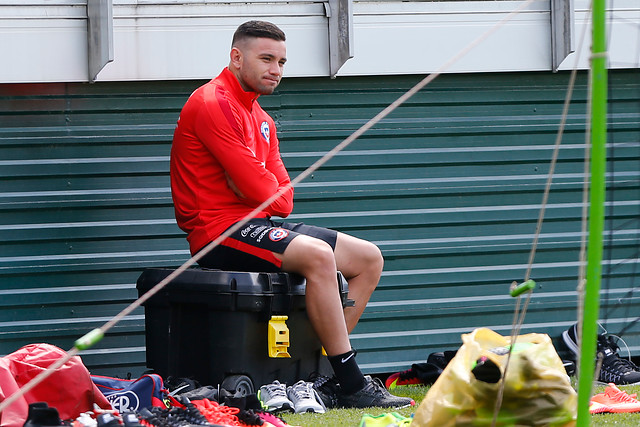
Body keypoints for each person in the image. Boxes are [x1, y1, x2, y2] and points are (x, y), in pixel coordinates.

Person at [170, 20, 413, 409]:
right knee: (318, 255)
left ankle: (320, 377)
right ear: (236, 57)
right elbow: (265, 190)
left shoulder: (263, 121)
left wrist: (255, 186)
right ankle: (351, 383)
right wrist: (257, 188)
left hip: (257, 225)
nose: (276, 70)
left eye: (282, 62)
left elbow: (282, 201)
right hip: (216, 230)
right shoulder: (211, 103)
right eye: (266, 59)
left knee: (368, 258)